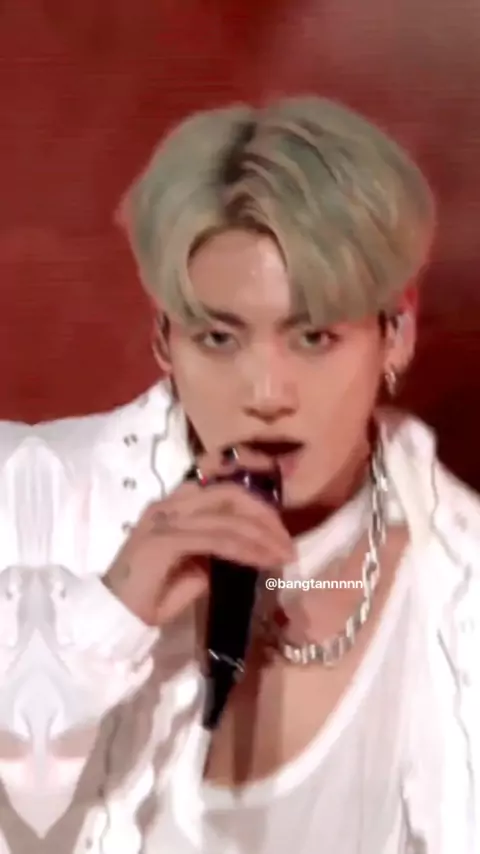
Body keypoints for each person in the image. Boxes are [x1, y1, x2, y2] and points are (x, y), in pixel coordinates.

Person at [17, 95, 480, 853]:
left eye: (314, 337)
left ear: (396, 333)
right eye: (219, 338)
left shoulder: (458, 589)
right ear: (165, 342)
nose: (265, 394)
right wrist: (109, 618)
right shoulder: (50, 504)